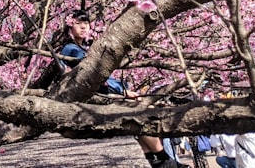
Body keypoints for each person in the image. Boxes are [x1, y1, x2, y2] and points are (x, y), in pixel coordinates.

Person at [54, 11, 183, 168]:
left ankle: (152, 157)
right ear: (69, 26)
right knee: (141, 111)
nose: (83, 27)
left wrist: (122, 90)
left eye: (86, 23)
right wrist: (122, 91)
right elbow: (94, 74)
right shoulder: (70, 49)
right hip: (96, 96)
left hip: (103, 92)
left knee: (144, 109)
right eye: (78, 23)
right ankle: (164, 158)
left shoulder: (85, 47)